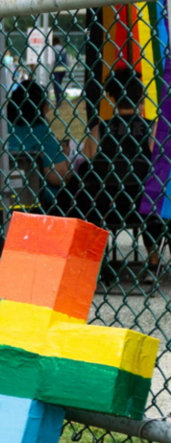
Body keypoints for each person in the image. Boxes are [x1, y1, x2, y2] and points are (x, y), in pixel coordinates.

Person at [70, 67, 162, 282]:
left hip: (104, 208)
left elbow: (84, 164)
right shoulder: (152, 129)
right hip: (142, 208)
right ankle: (153, 262)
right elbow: (160, 166)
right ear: (141, 97)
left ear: (113, 98)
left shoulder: (99, 130)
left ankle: (98, 263)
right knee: (155, 188)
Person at [6, 79, 70, 208]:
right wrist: (64, 155)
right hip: (40, 206)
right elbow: (60, 177)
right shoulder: (41, 133)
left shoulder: (3, 130)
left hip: (4, 201)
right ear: (40, 106)